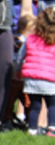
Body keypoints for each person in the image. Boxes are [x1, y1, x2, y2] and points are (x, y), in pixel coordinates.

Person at [20, 7, 55, 137]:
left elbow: (20, 56)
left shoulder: (31, 39)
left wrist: (18, 70)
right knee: (52, 105)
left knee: (35, 106)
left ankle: (32, 130)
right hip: (51, 79)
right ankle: (52, 129)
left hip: (32, 80)